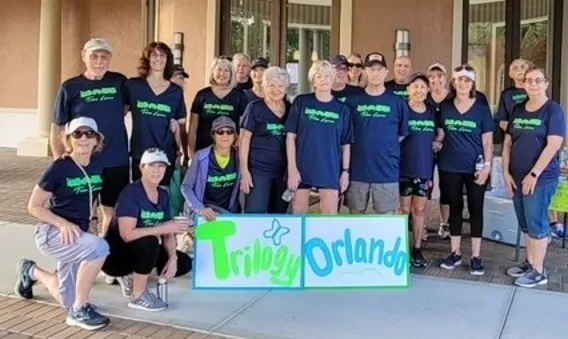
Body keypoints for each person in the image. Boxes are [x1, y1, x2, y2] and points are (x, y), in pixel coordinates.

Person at [15, 117, 110, 330]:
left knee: (66, 299)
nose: (84, 139)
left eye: (89, 134)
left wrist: (92, 221)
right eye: (77, 134)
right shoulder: (59, 168)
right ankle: (79, 311)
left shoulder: (97, 165)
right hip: (53, 233)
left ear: (97, 140)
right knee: (100, 248)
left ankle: (31, 271)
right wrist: (62, 223)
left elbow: (91, 196)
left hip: (78, 235)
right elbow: (34, 206)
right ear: (68, 139)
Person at [50, 38, 129, 238]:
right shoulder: (70, 87)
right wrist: (59, 157)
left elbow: (131, 105)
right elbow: (58, 124)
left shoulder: (119, 81)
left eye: (104, 57)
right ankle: (88, 246)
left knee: (110, 208)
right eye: (94, 56)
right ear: (84, 56)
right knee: (86, 207)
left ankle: (105, 249)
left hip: (116, 157)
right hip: (84, 159)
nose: (99, 61)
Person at [101, 148, 192, 310]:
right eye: (152, 165)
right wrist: (162, 227)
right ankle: (138, 295)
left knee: (183, 263)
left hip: (139, 248)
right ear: (142, 167)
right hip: (115, 256)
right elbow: (127, 235)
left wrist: (172, 258)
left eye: (161, 166)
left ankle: (136, 273)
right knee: (149, 242)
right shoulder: (131, 193)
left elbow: (167, 233)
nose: (157, 170)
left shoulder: (163, 194)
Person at [503, 66, 565, 288]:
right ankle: (531, 263)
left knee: (537, 224)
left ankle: (539, 272)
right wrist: (506, 172)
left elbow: (553, 145)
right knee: (526, 224)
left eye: (538, 80)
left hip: (540, 178)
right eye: (529, 80)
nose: (533, 84)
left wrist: (534, 174)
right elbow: (509, 142)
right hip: (517, 177)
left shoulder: (553, 110)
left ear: (546, 84)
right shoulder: (519, 109)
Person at [437, 64, 494, 275]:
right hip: (450, 166)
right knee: (455, 209)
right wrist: (435, 143)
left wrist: (487, 166)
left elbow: (488, 142)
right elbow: (441, 135)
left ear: (472, 84)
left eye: (467, 80)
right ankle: (456, 252)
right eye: (459, 79)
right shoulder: (445, 107)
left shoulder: (480, 107)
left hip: (475, 167)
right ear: (454, 82)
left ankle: (477, 256)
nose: (463, 83)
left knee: (476, 209)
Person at [285, 60, 353, 215]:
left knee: (329, 215)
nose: (324, 79)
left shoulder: (342, 109)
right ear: (313, 80)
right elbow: (290, 137)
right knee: (299, 213)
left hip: (329, 168)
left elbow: (346, 143)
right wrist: (292, 168)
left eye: (328, 76)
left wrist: (345, 172)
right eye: (319, 76)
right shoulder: (301, 102)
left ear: (333, 79)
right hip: (302, 166)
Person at [345, 52, 408, 215]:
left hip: (387, 171)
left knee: (385, 221)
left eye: (379, 69)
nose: (375, 73)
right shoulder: (352, 101)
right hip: (357, 171)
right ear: (364, 72)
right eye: (371, 69)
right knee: (355, 218)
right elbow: (346, 134)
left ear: (386, 72)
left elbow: (401, 134)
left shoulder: (398, 102)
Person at [124, 42, 187, 186]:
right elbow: (119, 113)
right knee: (140, 195)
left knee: (162, 195)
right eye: (154, 55)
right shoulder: (133, 86)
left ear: (168, 59)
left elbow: (180, 126)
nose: (158, 59)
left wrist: (181, 153)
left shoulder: (175, 92)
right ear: (147, 59)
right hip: (140, 152)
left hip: (165, 154)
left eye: (162, 55)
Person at [240, 67, 290, 213]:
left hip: (282, 172)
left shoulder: (291, 109)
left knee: (278, 216)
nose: (276, 90)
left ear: (286, 88)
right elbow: (243, 140)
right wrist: (244, 171)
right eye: (271, 85)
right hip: (258, 170)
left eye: (280, 86)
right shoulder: (254, 108)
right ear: (264, 86)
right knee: (256, 213)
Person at [399, 73, 437, 267]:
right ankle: (401, 249)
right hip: (402, 168)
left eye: (423, 87)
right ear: (408, 89)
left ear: (428, 90)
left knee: (419, 209)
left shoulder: (432, 111)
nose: (419, 90)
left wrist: (439, 141)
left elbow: (441, 132)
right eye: (415, 86)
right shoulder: (401, 109)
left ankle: (417, 249)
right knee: (404, 209)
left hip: (424, 168)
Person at [182, 116, 241, 220]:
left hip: (227, 213)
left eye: (229, 131)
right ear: (213, 135)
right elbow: (186, 187)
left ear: (234, 135)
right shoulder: (200, 157)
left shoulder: (239, 157)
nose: (225, 135)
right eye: (220, 131)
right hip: (203, 212)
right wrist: (200, 209)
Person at [188, 57, 248, 154]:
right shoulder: (202, 95)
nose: (222, 74)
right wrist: (191, 154)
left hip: (229, 153)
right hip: (203, 151)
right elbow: (192, 128)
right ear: (213, 72)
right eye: (219, 70)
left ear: (231, 74)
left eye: (226, 71)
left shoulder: (240, 96)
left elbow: (243, 130)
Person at [426, 63, 451, 240]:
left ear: (446, 77)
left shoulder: (452, 99)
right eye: (432, 76)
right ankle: (423, 225)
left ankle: (445, 224)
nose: (436, 79)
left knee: (446, 187)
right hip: (426, 149)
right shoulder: (424, 97)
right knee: (425, 187)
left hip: (448, 148)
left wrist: (442, 142)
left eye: (439, 75)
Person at [496, 58, 531, 132]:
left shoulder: (535, 90)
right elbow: (502, 121)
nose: (519, 70)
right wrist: (516, 133)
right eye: (515, 68)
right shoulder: (506, 94)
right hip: (513, 138)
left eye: (522, 67)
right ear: (510, 74)